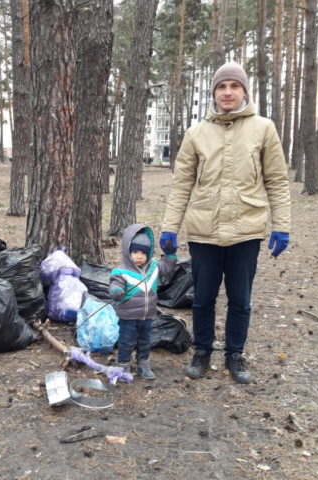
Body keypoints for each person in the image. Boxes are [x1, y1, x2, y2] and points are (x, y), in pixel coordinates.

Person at [159, 61, 291, 384]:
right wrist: (169, 227)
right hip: (205, 232)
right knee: (202, 298)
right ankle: (202, 350)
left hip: (246, 232)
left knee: (240, 300)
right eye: (221, 87)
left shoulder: (263, 129)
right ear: (214, 93)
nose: (228, 92)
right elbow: (181, 185)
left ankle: (235, 354)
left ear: (244, 91)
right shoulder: (196, 133)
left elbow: (277, 181)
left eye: (234, 86)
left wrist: (282, 225)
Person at [108, 223, 177, 380]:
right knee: (126, 341)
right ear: (128, 252)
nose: (139, 256)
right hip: (128, 316)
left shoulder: (153, 267)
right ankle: (123, 365)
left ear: (149, 253)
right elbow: (115, 284)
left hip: (148, 315)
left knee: (145, 341)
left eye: (143, 253)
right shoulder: (121, 271)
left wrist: (170, 254)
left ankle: (143, 364)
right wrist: (116, 291)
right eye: (135, 252)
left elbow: (167, 268)